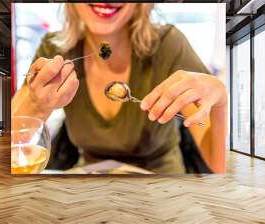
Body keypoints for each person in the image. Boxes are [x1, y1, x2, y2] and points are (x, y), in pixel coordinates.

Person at [12, 3, 227, 173]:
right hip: (89, 185)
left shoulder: (169, 45)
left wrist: (220, 100)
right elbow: (9, 143)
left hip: (162, 187)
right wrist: (36, 104)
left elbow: (217, 165)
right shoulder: (55, 49)